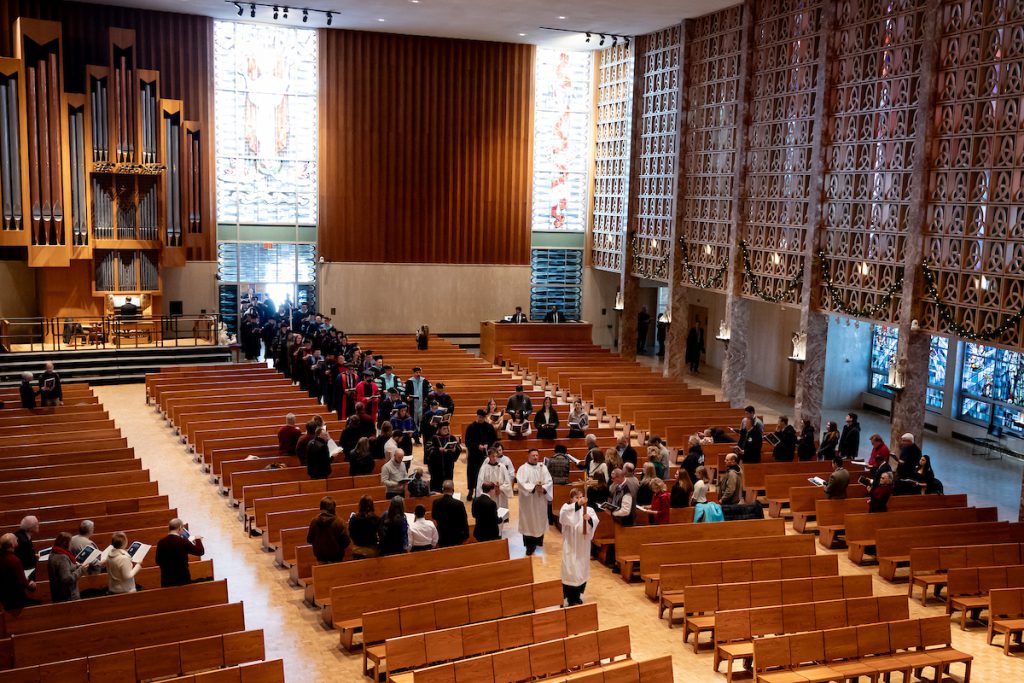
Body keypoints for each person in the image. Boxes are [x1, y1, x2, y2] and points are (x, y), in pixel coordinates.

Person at [559, 487, 598, 606]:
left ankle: (577, 596)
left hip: (583, 546)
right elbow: (564, 517)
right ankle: (570, 597)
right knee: (571, 572)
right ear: (571, 499)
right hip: (571, 546)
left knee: (581, 571)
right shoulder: (567, 508)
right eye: (577, 497)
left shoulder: (589, 509)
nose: (580, 500)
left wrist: (590, 519)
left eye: (581, 497)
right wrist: (577, 506)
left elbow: (596, 521)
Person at [516, 449, 553, 555]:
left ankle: (538, 541)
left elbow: (549, 481)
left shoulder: (543, 468)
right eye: (533, 455)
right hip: (528, 502)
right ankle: (529, 546)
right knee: (529, 522)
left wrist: (544, 488)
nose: (535, 457)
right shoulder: (523, 469)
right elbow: (521, 482)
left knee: (539, 520)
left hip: (540, 500)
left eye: (537, 455)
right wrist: (533, 487)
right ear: (528, 456)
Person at [156, 518, 205, 587]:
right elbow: (200, 552)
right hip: (183, 579)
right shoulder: (183, 541)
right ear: (179, 528)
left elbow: (157, 561)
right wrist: (198, 540)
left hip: (166, 580)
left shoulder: (161, 542)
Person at [464, 409, 498, 497]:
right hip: (474, 454)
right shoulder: (471, 427)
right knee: (472, 473)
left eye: (483, 417)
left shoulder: (489, 427)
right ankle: (471, 490)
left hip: (485, 455)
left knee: (482, 473)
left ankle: (481, 491)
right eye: (479, 417)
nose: (481, 419)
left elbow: (494, 439)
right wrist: (477, 446)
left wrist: (488, 444)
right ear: (477, 416)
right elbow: (467, 441)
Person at [307, 496, 350, 564]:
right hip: (336, 559)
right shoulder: (339, 522)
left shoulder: (314, 521)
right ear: (334, 508)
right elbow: (346, 542)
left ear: (321, 508)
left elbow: (309, 539)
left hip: (320, 559)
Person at [0, 533, 37, 609]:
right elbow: (23, 583)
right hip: (16, 600)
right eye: (15, 539)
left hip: (4, 598)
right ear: (12, 544)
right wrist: (31, 585)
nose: (17, 539)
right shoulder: (14, 560)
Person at [47, 532, 85, 601]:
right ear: (65, 543)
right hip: (68, 597)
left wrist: (76, 567)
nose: (71, 545)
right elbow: (67, 579)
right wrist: (81, 569)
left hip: (59, 595)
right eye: (70, 542)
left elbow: (65, 569)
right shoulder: (62, 557)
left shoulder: (54, 553)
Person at [431, 481, 470, 547]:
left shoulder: (436, 502)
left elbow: (434, 516)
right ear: (453, 490)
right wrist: (466, 535)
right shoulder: (459, 504)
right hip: (456, 536)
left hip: (442, 535)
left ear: (443, 490)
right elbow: (464, 520)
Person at [428, 423, 460, 493]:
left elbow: (459, 448)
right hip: (437, 466)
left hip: (448, 466)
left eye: (447, 428)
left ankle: (448, 494)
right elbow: (428, 449)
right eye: (444, 429)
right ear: (439, 429)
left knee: (448, 481)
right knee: (436, 484)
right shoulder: (434, 438)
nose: (446, 430)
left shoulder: (452, 438)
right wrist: (438, 450)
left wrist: (455, 450)